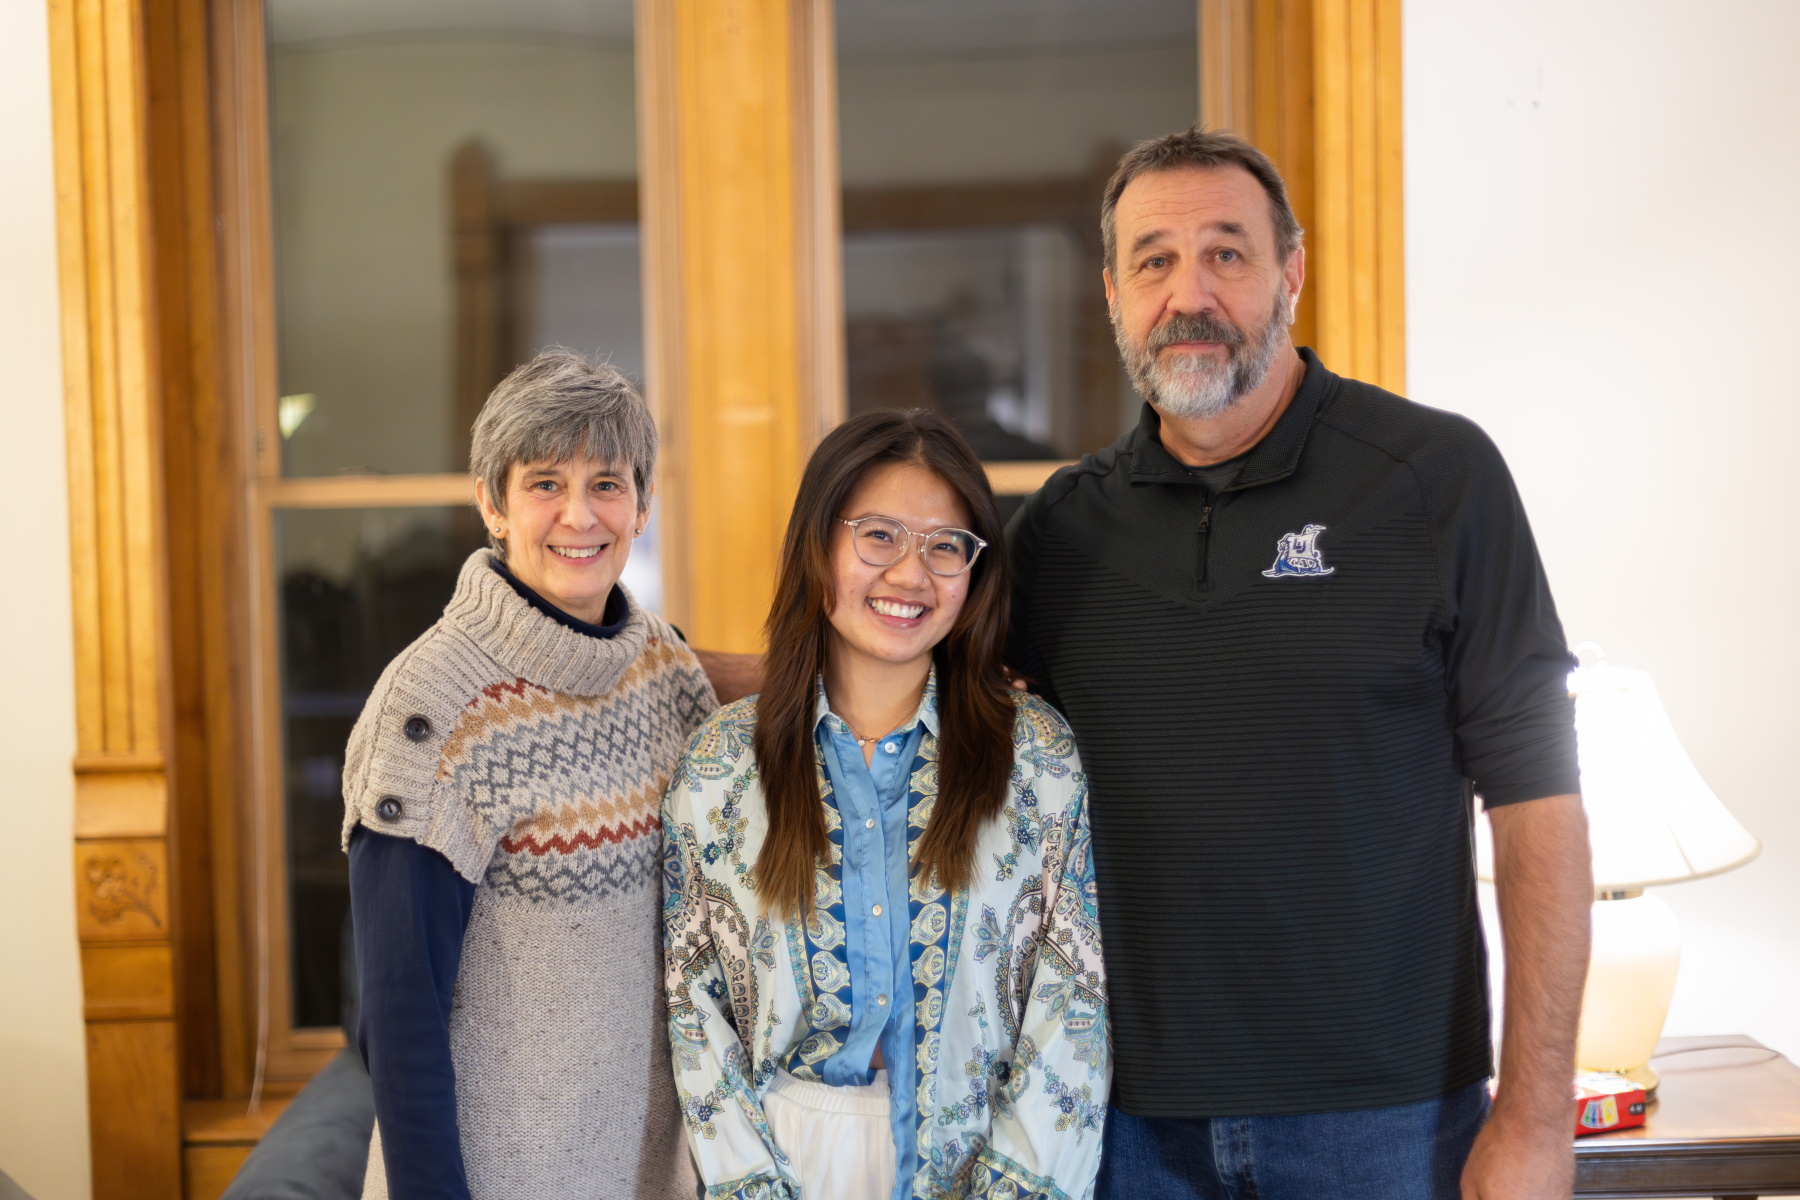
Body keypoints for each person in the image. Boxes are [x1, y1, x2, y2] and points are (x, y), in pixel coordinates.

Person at [1003, 128, 1593, 1200]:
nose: (1190, 292)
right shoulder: (1062, 531)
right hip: (1121, 1129)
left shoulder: (1436, 477)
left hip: (1390, 1124)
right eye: (1154, 260)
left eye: (1227, 252)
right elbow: (903, 695)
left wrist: (1536, 1115)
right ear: (1112, 293)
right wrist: (653, 665)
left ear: (1293, 272)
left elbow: (1539, 803)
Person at [662, 409, 1109, 1200]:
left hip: (982, 1157)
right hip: (785, 1157)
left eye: (946, 547)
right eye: (878, 536)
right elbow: (696, 1017)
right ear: (818, 543)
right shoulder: (721, 766)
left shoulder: (1034, 758)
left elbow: (1070, 1002)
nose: (911, 575)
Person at [341, 349, 717, 1199]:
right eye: (545, 482)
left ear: (644, 506)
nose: (579, 516)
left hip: (646, 1168)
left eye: (607, 484)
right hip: (496, 1175)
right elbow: (398, 1020)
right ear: (491, 504)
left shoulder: (665, 674)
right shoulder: (431, 711)